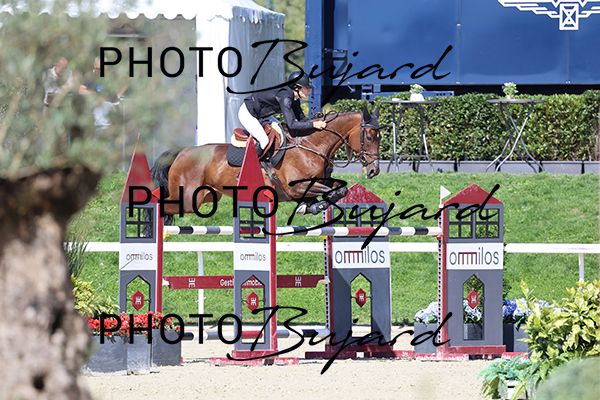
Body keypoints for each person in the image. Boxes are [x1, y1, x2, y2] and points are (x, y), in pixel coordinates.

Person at [238, 70, 327, 158]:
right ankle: (249, 163)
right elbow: (292, 125)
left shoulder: (295, 98)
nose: (309, 91)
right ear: (296, 87)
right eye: (306, 88)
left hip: (262, 114)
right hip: (247, 113)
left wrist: (317, 120)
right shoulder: (285, 98)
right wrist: (314, 125)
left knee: (282, 132)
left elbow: (302, 119)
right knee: (264, 141)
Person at [79, 57, 128, 138]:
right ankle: (102, 137)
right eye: (98, 69)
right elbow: (81, 90)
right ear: (94, 66)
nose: (100, 71)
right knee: (99, 111)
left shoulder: (112, 74)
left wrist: (119, 94)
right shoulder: (90, 76)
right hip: (96, 105)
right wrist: (94, 94)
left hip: (112, 104)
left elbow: (127, 80)